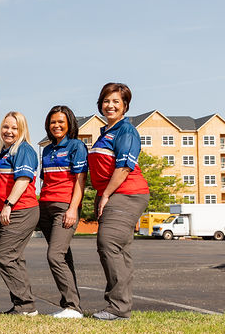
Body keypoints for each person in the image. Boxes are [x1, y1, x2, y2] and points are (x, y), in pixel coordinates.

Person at [88, 83, 149, 321]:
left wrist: (104, 195)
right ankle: (121, 306)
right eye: (106, 101)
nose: (110, 105)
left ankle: (117, 307)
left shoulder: (126, 131)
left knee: (108, 243)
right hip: (115, 193)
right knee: (120, 250)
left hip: (128, 192)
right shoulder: (107, 131)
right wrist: (102, 194)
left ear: (125, 106)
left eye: (116, 101)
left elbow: (124, 167)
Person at [38, 105, 88, 319]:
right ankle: (71, 305)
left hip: (64, 208)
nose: (56, 125)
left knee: (54, 255)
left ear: (69, 123)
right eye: (52, 122)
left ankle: (72, 307)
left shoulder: (77, 146)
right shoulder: (48, 149)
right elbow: (44, 181)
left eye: (60, 121)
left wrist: (72, 209)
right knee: (64, 256)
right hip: (46, 207)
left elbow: (80, 181)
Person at [0, 111, 40, 316]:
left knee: (3, 256)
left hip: (21, 210)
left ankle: (26, 305)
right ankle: (23, 306)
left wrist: (8, 204)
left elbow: (23, 180)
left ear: (22, 130)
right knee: (15, 258)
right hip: (8, 212)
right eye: (6, 127)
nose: (9, 131)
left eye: (14, 128)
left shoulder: (24, 150)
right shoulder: (5, 152)